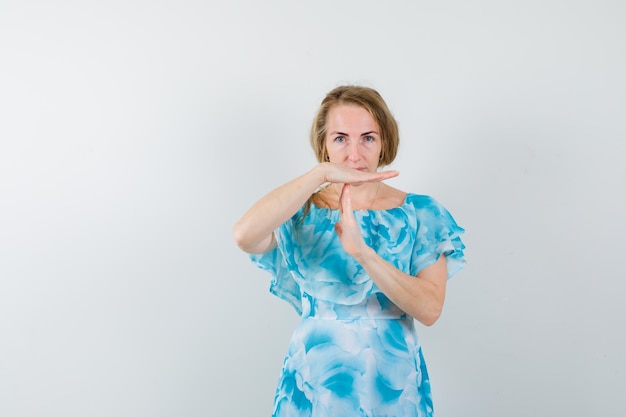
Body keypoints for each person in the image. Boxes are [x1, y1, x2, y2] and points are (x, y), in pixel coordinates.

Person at [232, 85, 466, 417]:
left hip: (392, 383)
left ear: (384, 141)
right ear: (324, 145)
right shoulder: (300, 211)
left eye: (367, 138)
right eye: (340, 138)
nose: (354, 154)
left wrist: (364, 254)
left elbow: (429, 309)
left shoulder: (420, 212)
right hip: (314, 380)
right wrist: (320, 176)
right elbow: (244, 235)